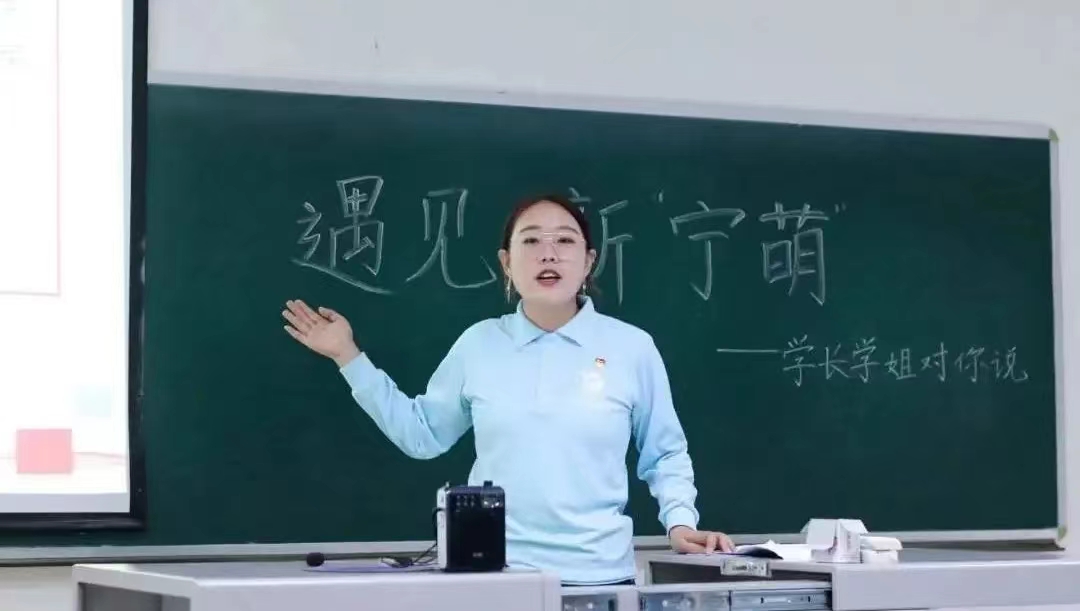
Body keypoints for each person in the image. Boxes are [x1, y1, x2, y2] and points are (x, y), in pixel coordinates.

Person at [282, 194, 733, 585]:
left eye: (565, 241)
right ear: (506, 262)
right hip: (493, 578)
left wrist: (680, 523)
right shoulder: (479, 344)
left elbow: (665, 453)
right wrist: (348, 357)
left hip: (600, 576)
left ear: (589, 261)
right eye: (531, 241)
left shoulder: (631, 347)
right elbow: (422, 435)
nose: (548, 254)